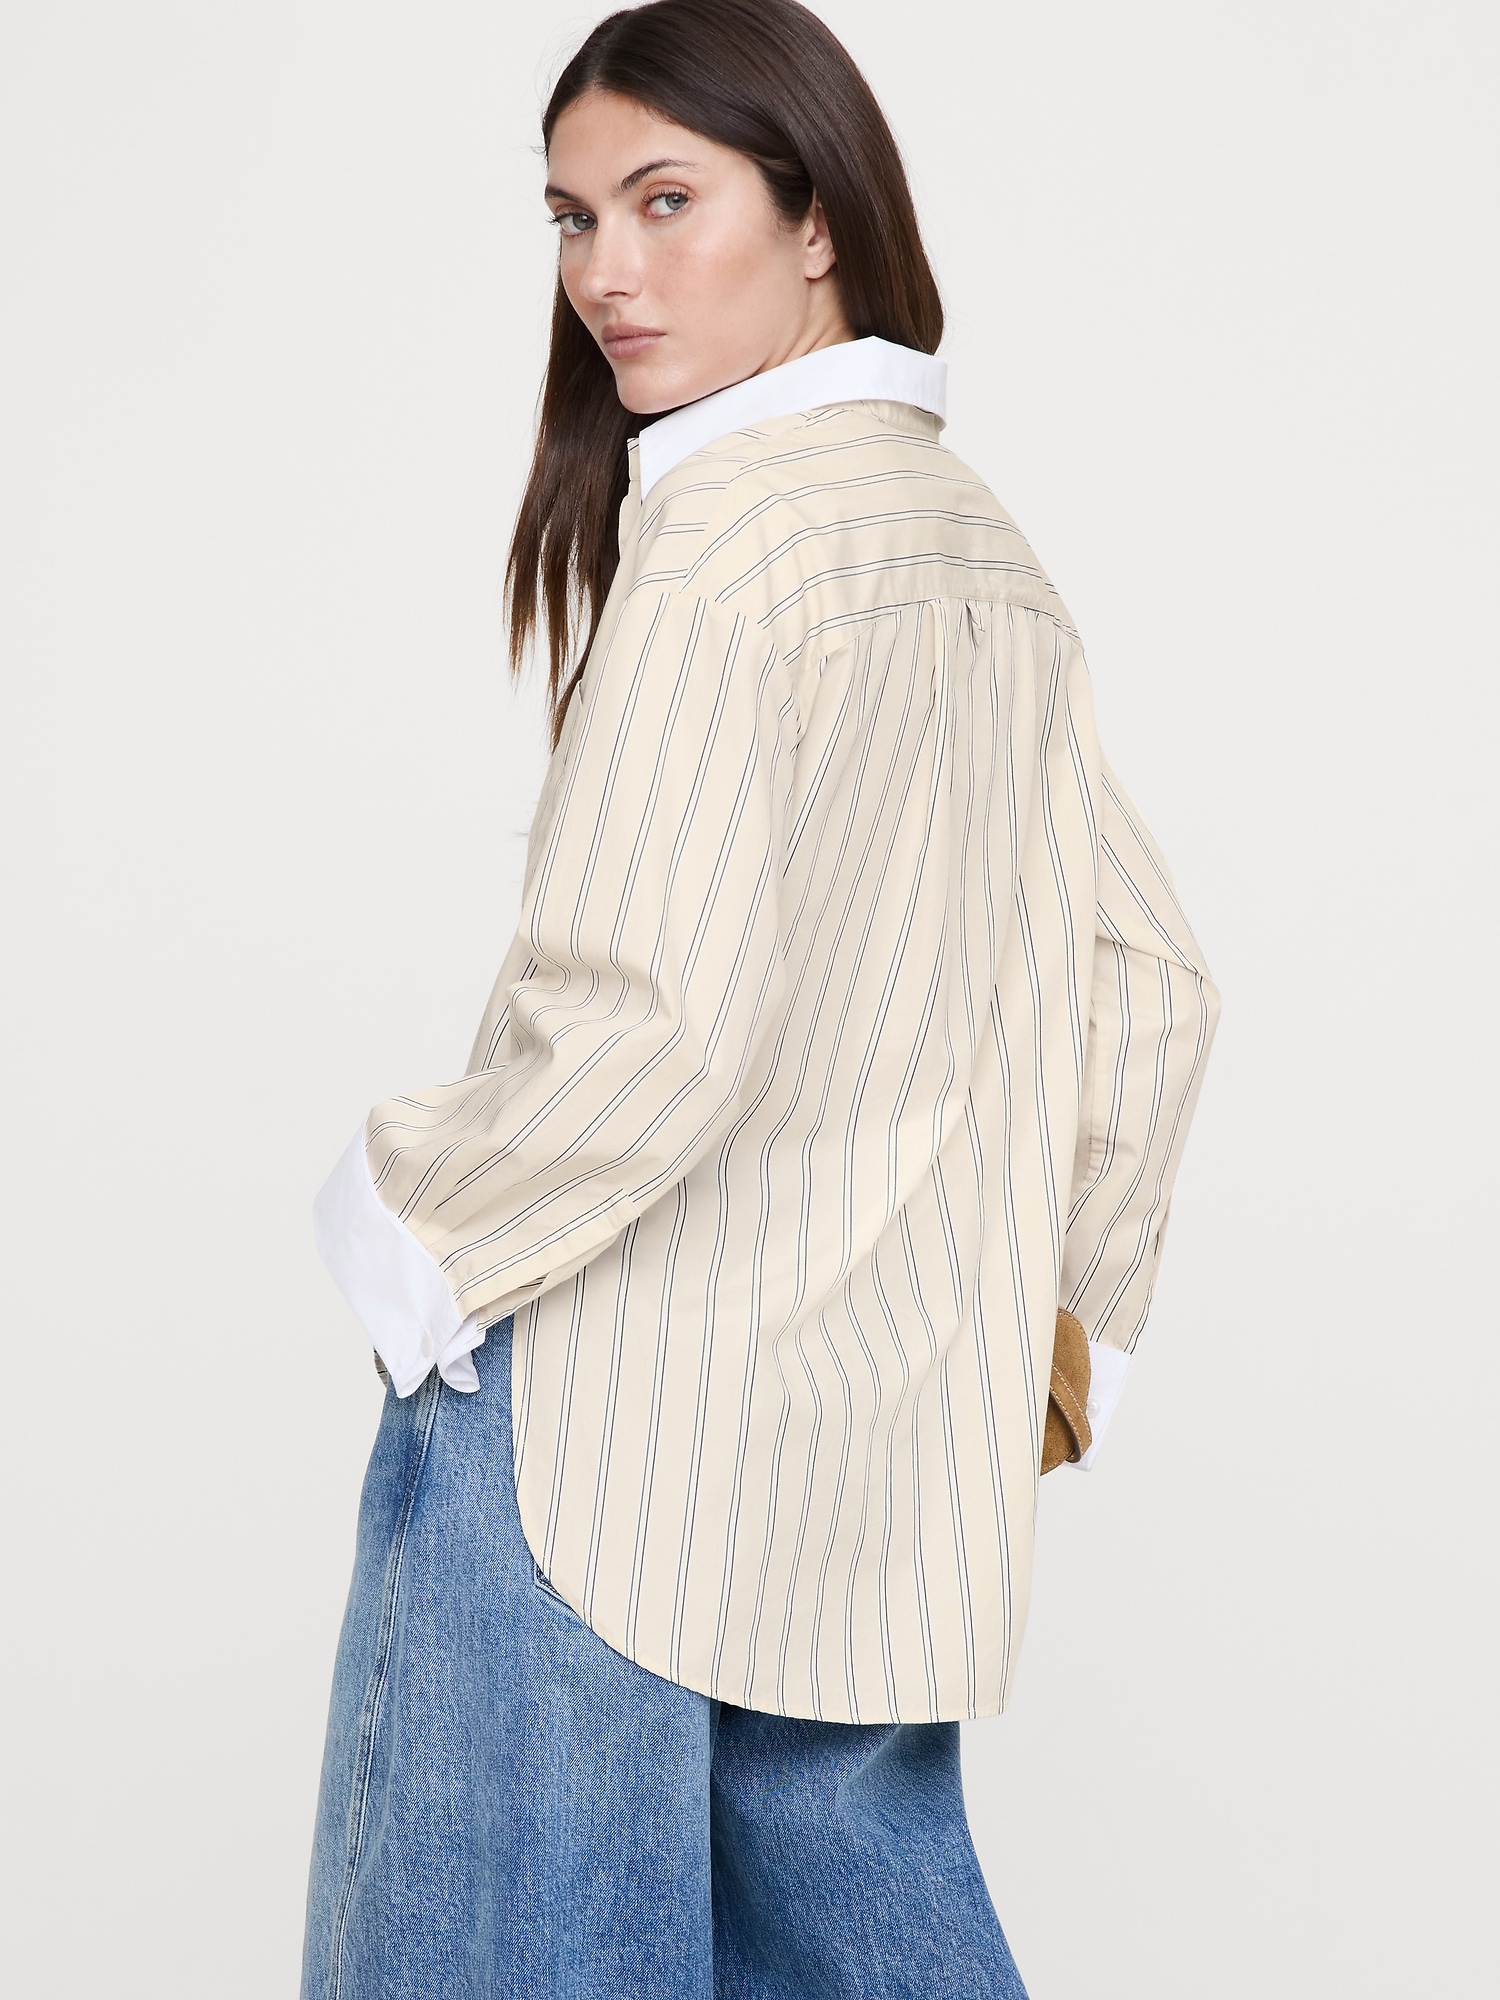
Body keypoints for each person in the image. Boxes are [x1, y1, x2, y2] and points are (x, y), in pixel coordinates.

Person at [302, 2, 1220, 1993]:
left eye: (665, 201)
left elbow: (652, 1024)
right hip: (870, 1454)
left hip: (591, 1434)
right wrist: (1050, 1332)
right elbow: (1148, 982)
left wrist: (409, 1229)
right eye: (572, 219)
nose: (605, 274)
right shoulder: (972, 546)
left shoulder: (725, 544)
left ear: (817, 220)